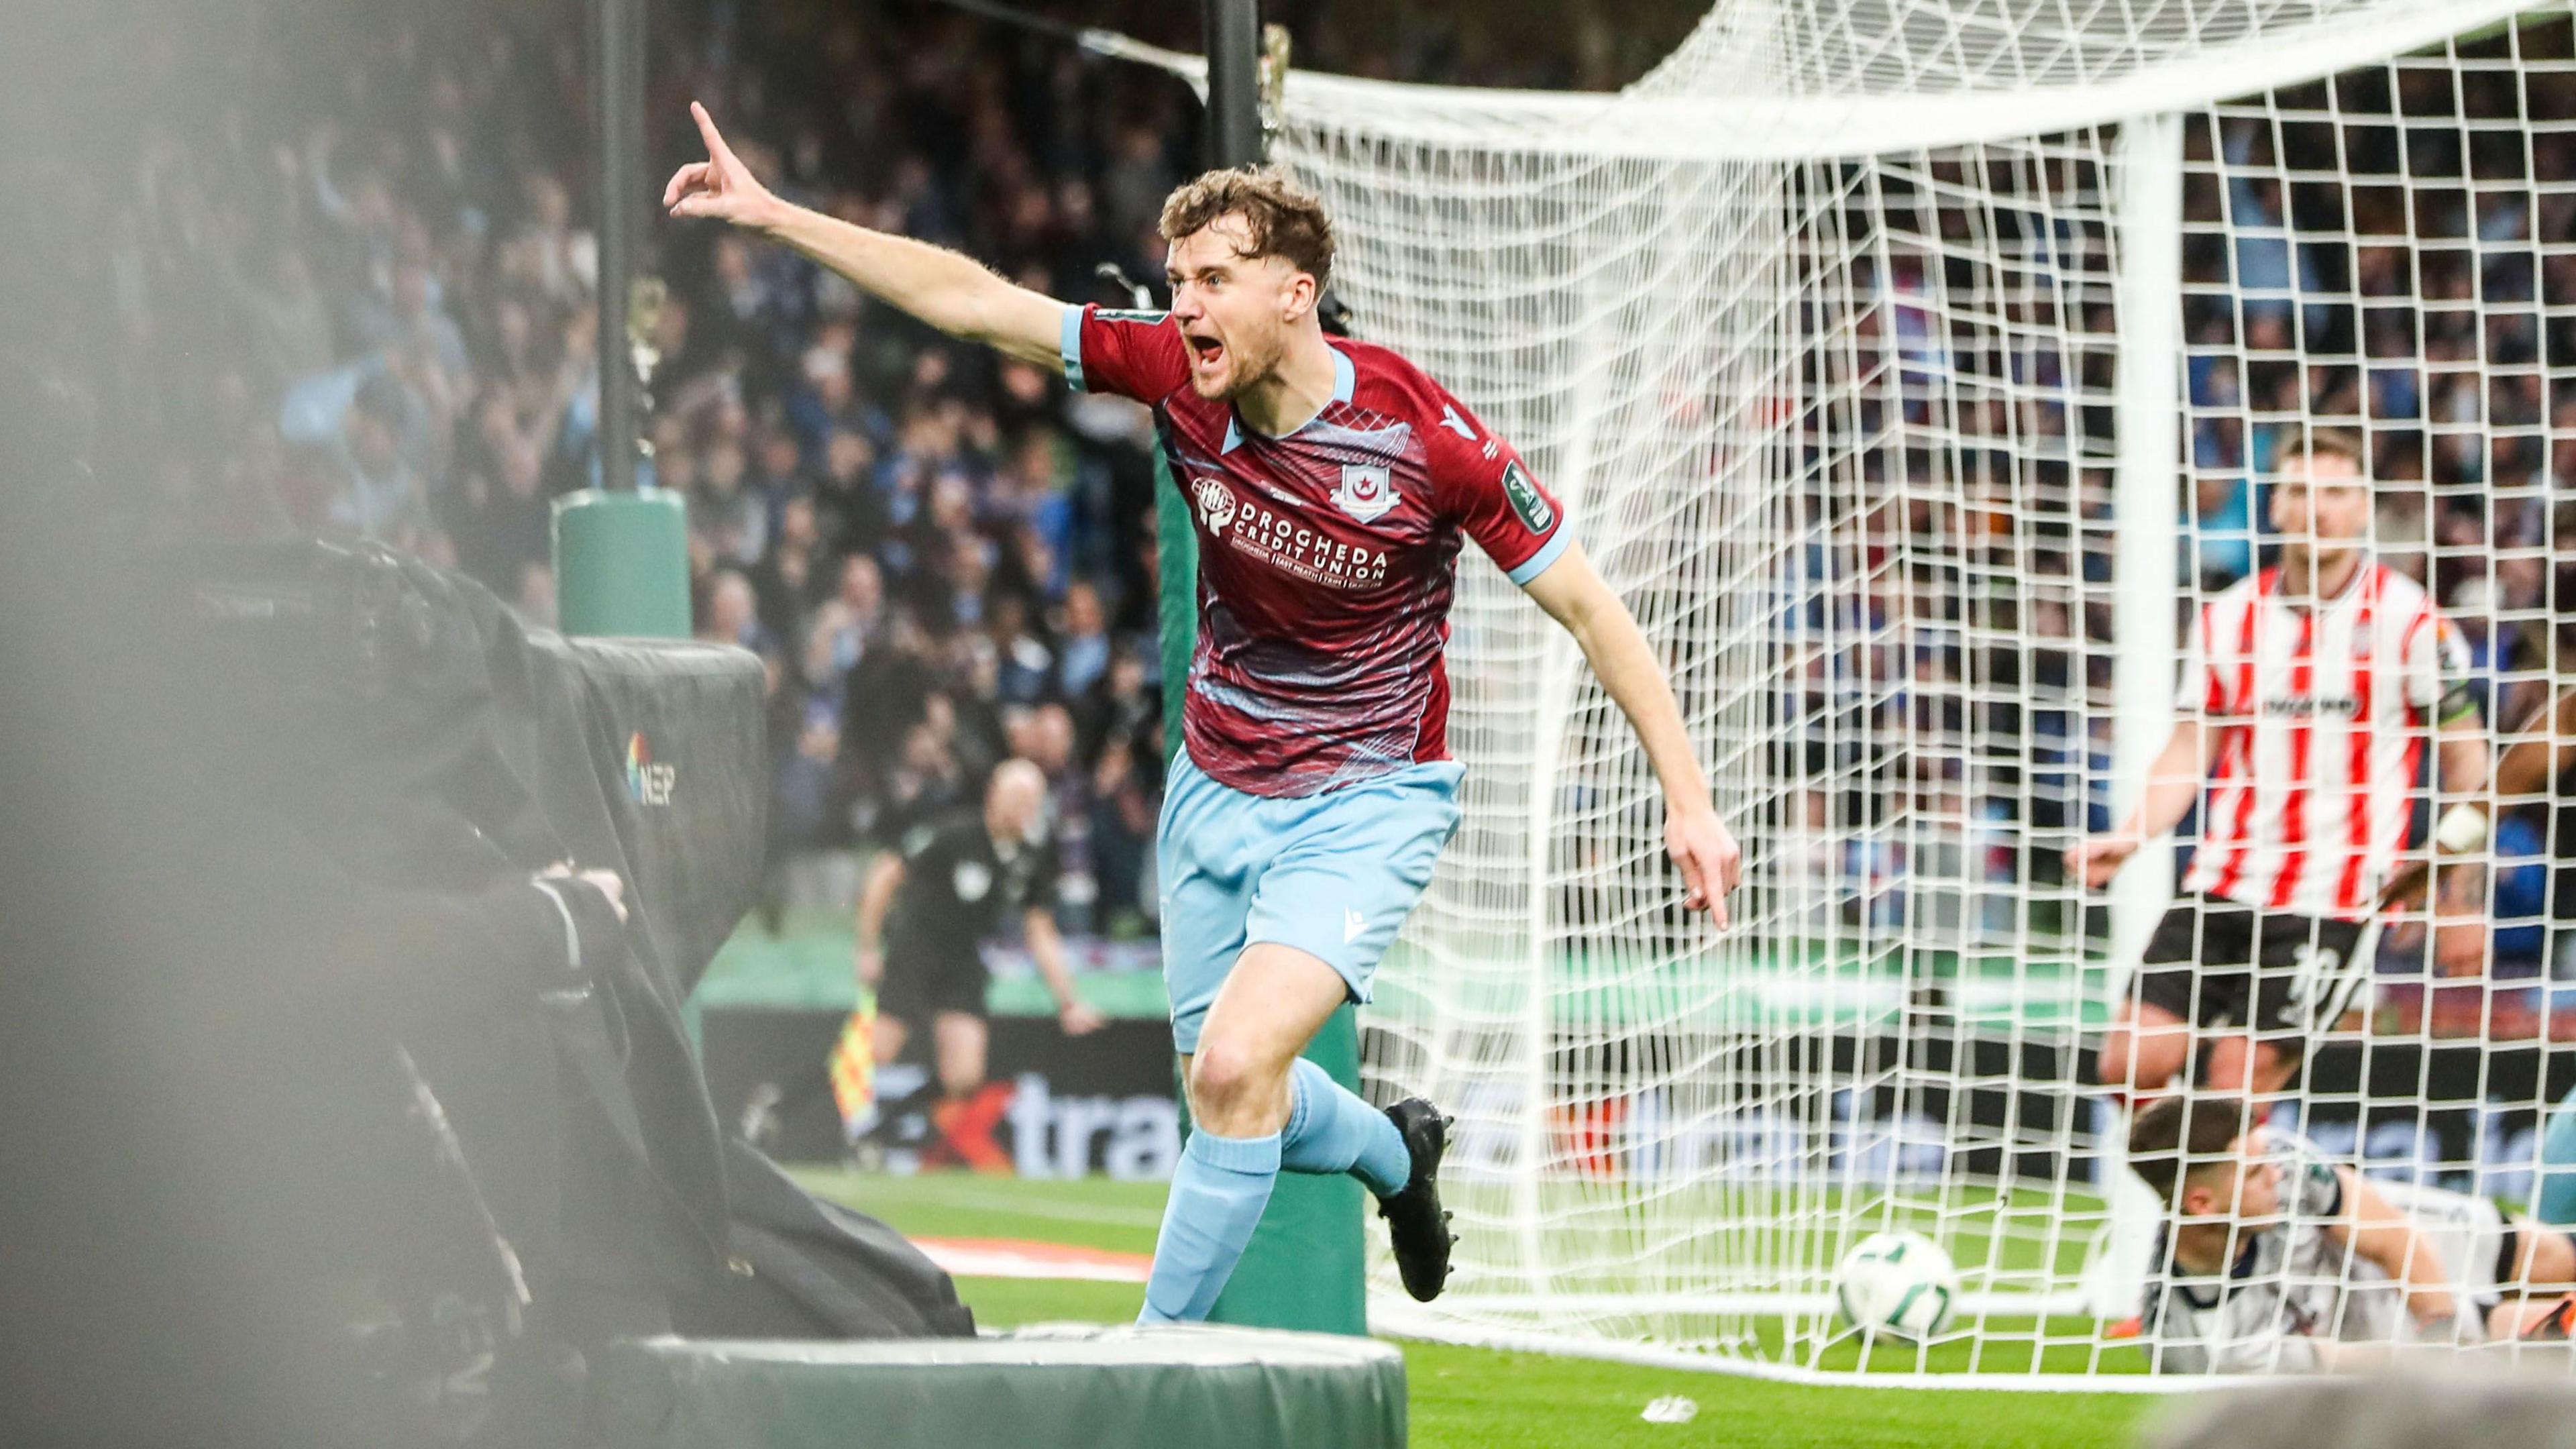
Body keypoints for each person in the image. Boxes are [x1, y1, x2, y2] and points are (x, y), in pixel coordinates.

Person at [669, 101, 1742, 1320]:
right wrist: (775, 216)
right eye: (1177, 280)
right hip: (1216, 786)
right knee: (1228, 1091)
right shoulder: (1178, 375)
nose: (1182, 305)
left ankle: (1150, 1369)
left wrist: (1689, 801)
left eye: (1213, 280)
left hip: (1369, 793)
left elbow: (1595, 611)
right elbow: (976, 303)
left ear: (1296, 292)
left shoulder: (1427, 439)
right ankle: (1398, 1156)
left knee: (1237, 1069)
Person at [2068, 429, 2487, 1099]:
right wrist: (2133, 832)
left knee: (2239, 1085)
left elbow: (2467, 756)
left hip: (2337, 897)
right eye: (2300, 491)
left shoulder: (2412, 620)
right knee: (2130, 1066)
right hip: (2225, 878)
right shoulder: (2229, 616)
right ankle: (2211, 1196)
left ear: (2362, 510)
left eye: (2336, 494)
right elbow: (2189, 747)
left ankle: (2235, 1194)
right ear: (2273, 506)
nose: (2317, 509)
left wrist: (2461, 895)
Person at [2127, 1094, 2575, 1374]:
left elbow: (2394, 1236)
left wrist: (2443, 1333)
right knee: (2524, 1340)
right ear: (2202, 1204)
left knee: (2557, 1258)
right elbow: (2355, 1366)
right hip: (2360, 1333)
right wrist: (2449, 1364)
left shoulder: (2278, 1161)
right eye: (2255, 1173)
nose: (2276, 1173)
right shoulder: (2204, 1345)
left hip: (2391, 1247)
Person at [853, 760, 1104, 1170]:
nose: (1027, 809)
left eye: (1034, 800)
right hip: (915, 948)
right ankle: (789, 1104)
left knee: (965, 1077)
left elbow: (1040, 931)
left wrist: (1068, 1001)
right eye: (1018, 798)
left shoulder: (1032, 856)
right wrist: (867, 947)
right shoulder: (955, 834)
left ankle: (876, 1134)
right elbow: (885, 874)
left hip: (963, 957)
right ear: (994, 795)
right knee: (879, 1050)